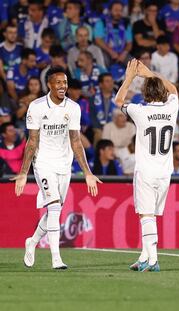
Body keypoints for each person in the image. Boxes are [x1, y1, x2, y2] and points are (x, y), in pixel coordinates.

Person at [11, 66, 101, 269]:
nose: (63, 86)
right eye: (58, 82)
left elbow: (76, 141)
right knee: (52, 207)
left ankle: (32, 241)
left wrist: (87, 172)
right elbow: (32, 141)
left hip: (64, 165)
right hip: (43, 163)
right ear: (49, 85)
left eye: (65, 82)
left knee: (55, 211)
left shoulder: (73, 108)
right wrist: (24, 173)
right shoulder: (36, 106)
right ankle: (56, 258)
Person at [114, 59, 178, 272]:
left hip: (146, 172)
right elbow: (173, 89)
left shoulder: (139, 111)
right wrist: (149, 73)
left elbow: (118, 100)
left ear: (145, 94)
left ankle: (153, 260)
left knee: (146, 215)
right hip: (165, 172)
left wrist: (130, 77)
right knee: (149, 215)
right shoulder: (172, 107)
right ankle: (144, 257)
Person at [94, 0, 133, 65]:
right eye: (116, 10)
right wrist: (111, 52)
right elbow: (98, 40)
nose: (118, 13)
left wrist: (124, 53)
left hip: (122, 52)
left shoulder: (126, 24)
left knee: (134, 65)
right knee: (103, 60)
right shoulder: (101, 22)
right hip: (106, 51)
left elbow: (129, 43)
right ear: (109, 10)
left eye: (120, 10)